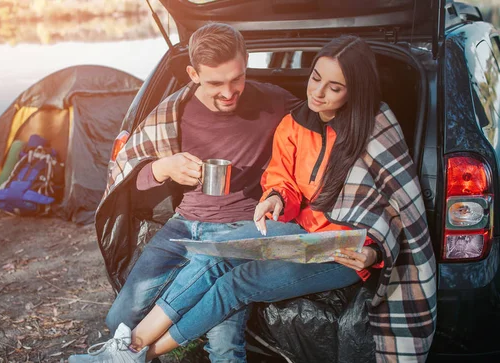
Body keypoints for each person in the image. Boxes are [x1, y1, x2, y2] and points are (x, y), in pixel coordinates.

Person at [72, 35, 437, 363]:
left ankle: (133, 353)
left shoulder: (368, 127)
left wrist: (373, 251)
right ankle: (131, 350)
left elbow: (395, 206)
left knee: (229, 284)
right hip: (276, 232)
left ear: (354, 90)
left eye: (335, 87)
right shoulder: (291, 122)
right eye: (315, 78)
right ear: (193, 74)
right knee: (189, 277)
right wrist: (275, 196)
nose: (319, 93)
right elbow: (283, 178)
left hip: (336, 249)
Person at [69, 23, 303, 363]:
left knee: (224, 343)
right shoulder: (173, 112)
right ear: (193, 73)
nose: (228, 92)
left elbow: (324, 126)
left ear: (246, 62)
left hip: (239, 231)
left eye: (236, 78)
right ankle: (154, 350)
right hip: (183, 226)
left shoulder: (275, 101)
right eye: (214, 83)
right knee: (117, 318)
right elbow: (125, 179)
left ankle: (145, 351)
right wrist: (163, 169)